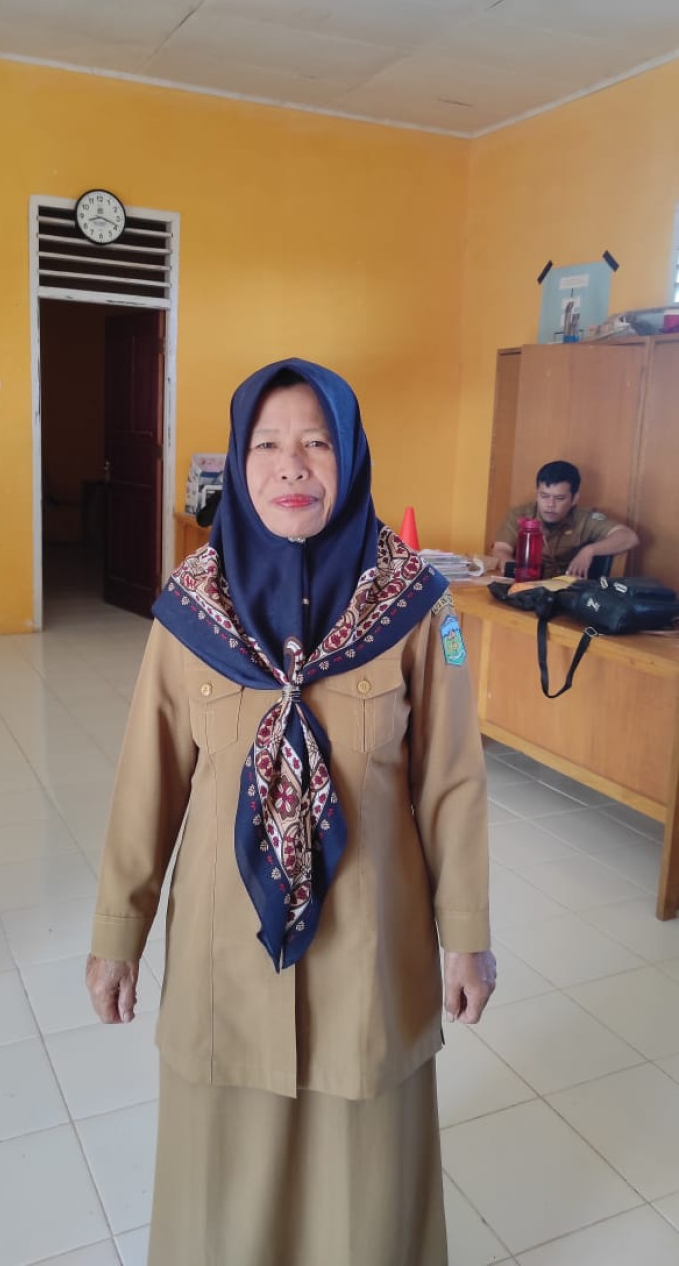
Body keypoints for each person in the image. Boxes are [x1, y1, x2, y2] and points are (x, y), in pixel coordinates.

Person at [86, 358, 495, 1266]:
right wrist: (118, 934)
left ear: (350, 456)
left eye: (316, 443)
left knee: (365, 1185)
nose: (291, 466)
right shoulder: (190, 610)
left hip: (370, 948)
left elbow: (453, 781)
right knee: (222, 1186)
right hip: (225, 955)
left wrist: (467, 935)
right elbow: (147, 782)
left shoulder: (416, 607)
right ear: (238, 465)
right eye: (266, 445)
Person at [492, 459, 639, 579]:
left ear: (574, 499)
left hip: (566, 590)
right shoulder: (520, 514)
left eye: (559, 498)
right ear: (536, 494)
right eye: (544, 496)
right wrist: (514, 569)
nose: (550, 504)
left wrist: (589, 551)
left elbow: (629, 537)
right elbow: (501, 549)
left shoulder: (584, 518)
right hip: (525, 585)